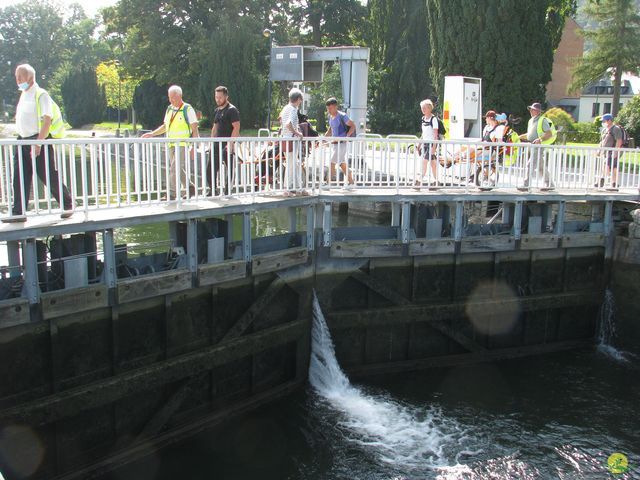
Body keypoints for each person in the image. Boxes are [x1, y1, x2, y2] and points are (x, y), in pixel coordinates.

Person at [3, 64, 74, 223]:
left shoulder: (41, 94)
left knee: (48, 175)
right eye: (16, 76)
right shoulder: (24, 94)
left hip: (37, 140)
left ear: (29, 77)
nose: (17, 79)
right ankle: (18, 213)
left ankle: (68, 204)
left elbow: (46, 120)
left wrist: (38, 143)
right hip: (22, 141)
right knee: (19, 177)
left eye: (20, 76)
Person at [142, 85, 199, 199]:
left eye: (172, 97)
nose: (170, 100)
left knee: (174, 168)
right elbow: (165, 126)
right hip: (171, 144)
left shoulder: (187, 109)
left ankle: (171, 194)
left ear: (179, 96)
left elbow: (195, 129)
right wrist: (152, 134)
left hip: (182, 144)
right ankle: (190, 187)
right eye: (169, 97)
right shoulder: (169, 109)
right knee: (177, 168)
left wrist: (193, 146)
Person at [208, 86, 240, 195]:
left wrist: (230, 143)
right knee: (210, 168)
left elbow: (236, 127)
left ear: (226, 96)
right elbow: (215, 127)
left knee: (229, 167)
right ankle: (212, 190)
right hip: (217, 143)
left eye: (220, 97)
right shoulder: (217, 110)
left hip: (227, 144)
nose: (218, 99)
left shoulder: (232, 110)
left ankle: (228, 190)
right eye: (216, 97)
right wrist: (211, 142)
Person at [519, 102, 556, 190]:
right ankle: (550, 184)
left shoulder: (542, 120)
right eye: (531, 109)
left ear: (538, 111)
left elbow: (549, 133)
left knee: (530, 164)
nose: (531, 111)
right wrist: (519, 137)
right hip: (533, 146)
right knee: (541, 167)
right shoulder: (531, 121)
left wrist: (540, 139)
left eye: (533, 109)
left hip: (538, 147)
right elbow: (530, 134)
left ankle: (526, 184)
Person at [280, 88, 307, 196]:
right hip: (291, 140)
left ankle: (299, 188)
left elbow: (284, 124)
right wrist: (297, 133)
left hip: (285, 139)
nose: (300, 103)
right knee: (291, 164)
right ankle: (286, 189)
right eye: (301, 100)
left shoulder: (285, 108)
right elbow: (288, 124)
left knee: (294, 163)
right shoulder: (293, 109)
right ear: (298, 99)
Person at [324, 97, 355, 188]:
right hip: (335, 144)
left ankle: (328, 183)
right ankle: (352, 183)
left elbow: (353, 126)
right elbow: (330, 129)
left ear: (335, 107)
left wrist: (346, 136)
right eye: (327, 108)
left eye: (330, 108)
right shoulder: (330, 116)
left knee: (332, 162)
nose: (328, 110)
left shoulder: (342, 116)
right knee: (342, 163)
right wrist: (323, 138)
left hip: (342, 144)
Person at [596, 113, 623, 189]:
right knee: (612, 167)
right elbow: (602, 141)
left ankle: (602, 180)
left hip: (612, 151)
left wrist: (616, 151)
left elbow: (619, 141)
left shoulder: (616, 129)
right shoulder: (604, 130)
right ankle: (614, 183)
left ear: (610, 120)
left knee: (607, 165)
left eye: (604, 121)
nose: (603, 123)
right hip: (605, 151)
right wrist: (599, 150)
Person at [419, 99, 440, 186]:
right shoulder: (423, 119)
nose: (423, 110)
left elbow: (435, 135)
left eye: (425, 108)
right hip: (425, 144)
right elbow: (423, 133)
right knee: (433, 164)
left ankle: (419, 180)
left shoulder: (433, 119)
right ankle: (437, 181)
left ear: (429, 108)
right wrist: (419, 144)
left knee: (424, 161)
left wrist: (434, 148)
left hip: (431, 144)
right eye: (422, 108)